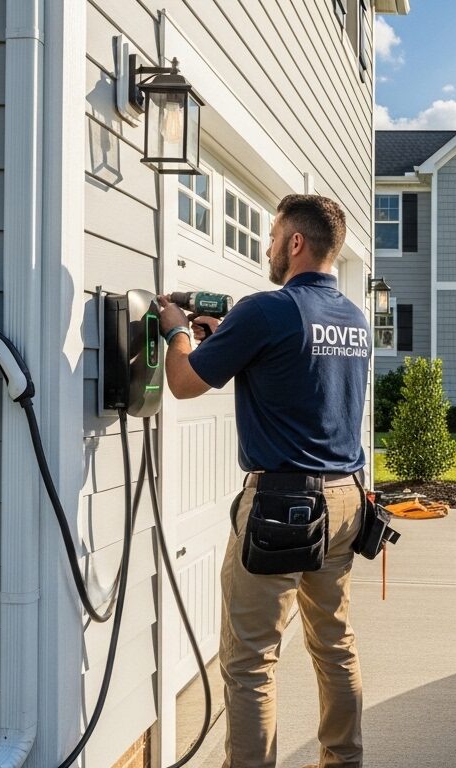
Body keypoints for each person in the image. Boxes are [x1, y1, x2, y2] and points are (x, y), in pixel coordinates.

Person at [157, 194, 371, 768]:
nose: (269, 245)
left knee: (251, 660)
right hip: (347, 499)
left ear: (296, 242)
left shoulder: (267, 310)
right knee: (335, 646)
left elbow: (183, 382)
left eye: (274, 235)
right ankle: (342, 761)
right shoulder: (354, 318)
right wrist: (225, 336)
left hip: (282, 504)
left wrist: (179, 331)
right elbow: (296, 375)